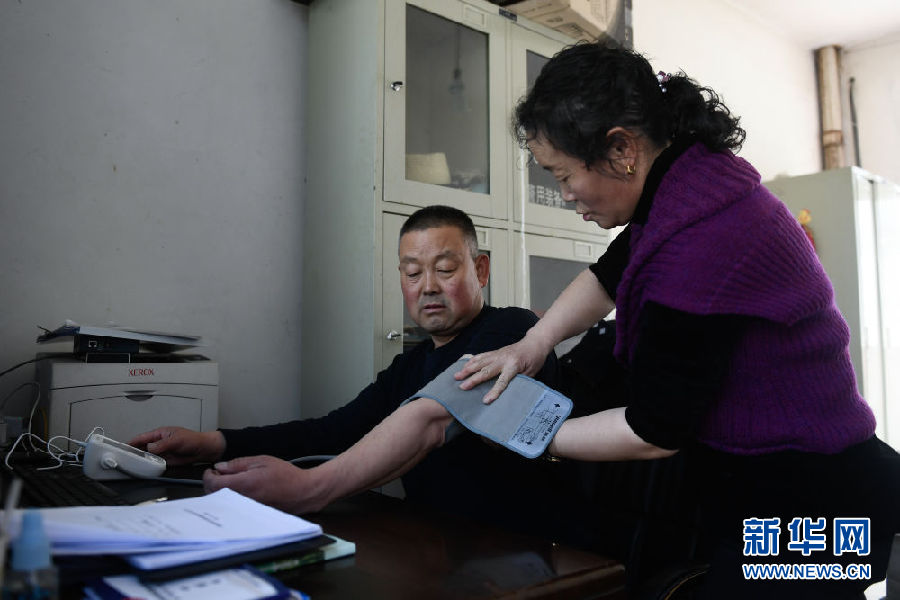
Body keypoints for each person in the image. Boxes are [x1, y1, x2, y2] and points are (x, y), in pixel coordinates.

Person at [454, 42, 900, 598]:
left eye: (564, 175)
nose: (565, 195)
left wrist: (533, 434)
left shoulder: (701, 241)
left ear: (622, 149)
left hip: (819, 510)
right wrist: (533, 344)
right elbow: (609, 274)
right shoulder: (685, 185)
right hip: (778, 487)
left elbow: (654, 430)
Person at [129, 205, 588, 542]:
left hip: (524, 552)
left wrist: (310, 487)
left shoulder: (512, 333)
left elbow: (433, 418)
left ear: (480, 269)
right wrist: (213, 442)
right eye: (412, 273)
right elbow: (333, 430)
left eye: (445, 269)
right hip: (435, 548)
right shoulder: (409, 366)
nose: (428, 286)